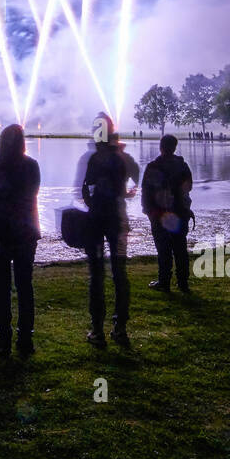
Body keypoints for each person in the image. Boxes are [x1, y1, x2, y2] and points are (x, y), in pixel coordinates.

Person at [0, 123, 41, 355]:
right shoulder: (32, 166)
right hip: (25, 232)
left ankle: (4, 336)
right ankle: (25, 338)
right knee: (25, 285)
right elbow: (32, 193)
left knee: (1, 286)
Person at [81, 112, 139, 347]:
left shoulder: (95, 159)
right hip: (118, 217)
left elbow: (86, 188)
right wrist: (125, 193)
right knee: (119, 273)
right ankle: (120, 328)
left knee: (97, 275)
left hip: (97, 220)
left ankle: (97, 330)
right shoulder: (123, 157)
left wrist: (91, 204)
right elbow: (137, 177)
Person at [142, 134, 193, 293]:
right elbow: (188, 187)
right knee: (180, 248)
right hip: (179, 212)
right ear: (175, 147)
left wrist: (148, 210)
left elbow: (146, 192)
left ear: (161, 146)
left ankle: (164, 281)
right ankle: (183, 282)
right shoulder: (182, 166)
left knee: (163, 249)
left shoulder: (153, 166)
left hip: (159, 213)